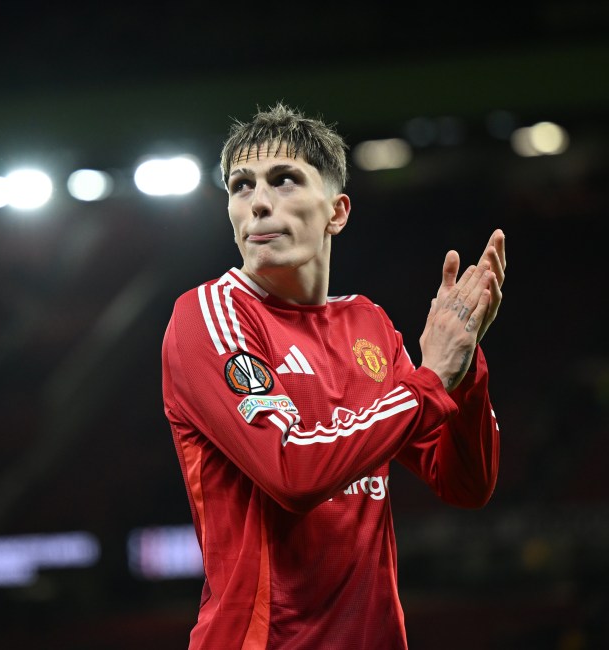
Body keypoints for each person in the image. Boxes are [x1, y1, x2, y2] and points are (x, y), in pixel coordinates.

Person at [161, 103, 506, 649]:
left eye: (284, 180)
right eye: (240, 186)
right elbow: (292, 469)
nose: (258, 204)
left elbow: (464, 483)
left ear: (337, 212)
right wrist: (431, 380)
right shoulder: (210, 315)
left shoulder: (366, 323)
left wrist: (463, 368)